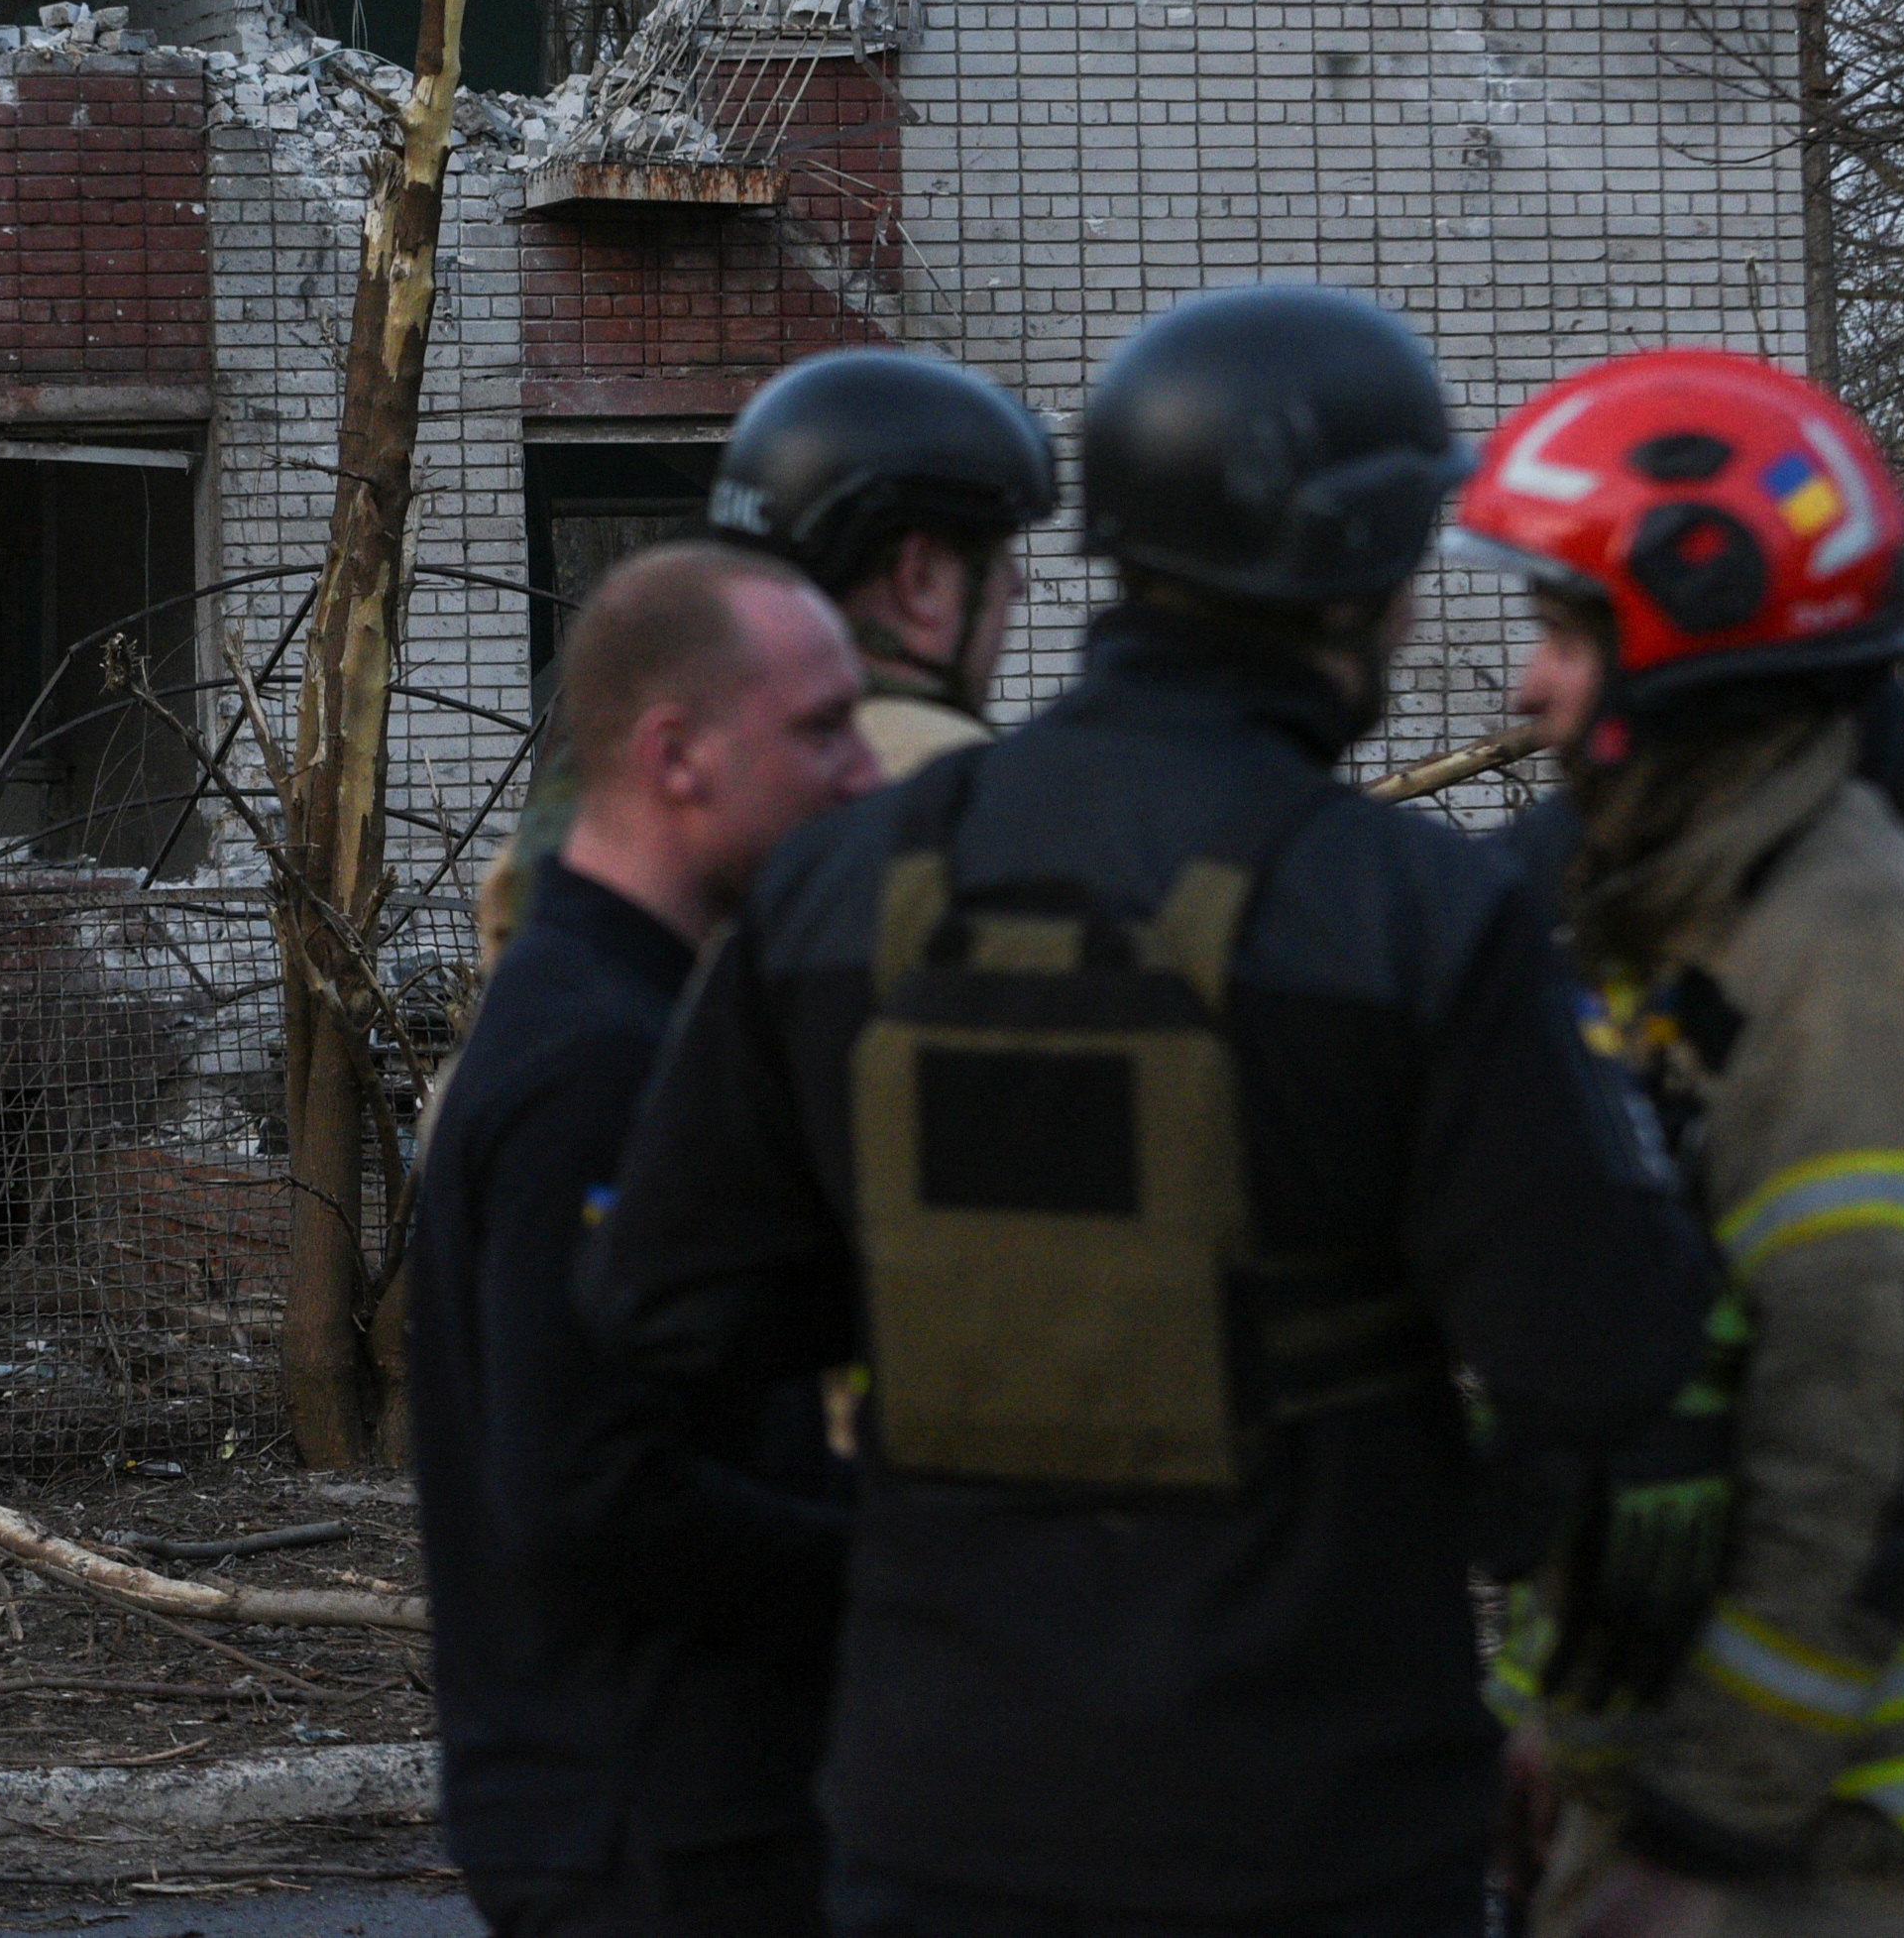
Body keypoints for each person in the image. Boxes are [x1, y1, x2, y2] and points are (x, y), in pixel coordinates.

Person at [582, 283, 1719, 1938]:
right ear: (1358, 576)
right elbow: (1610, 1357)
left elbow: (663, 1302)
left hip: (931, 1820)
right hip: (1319, 1828)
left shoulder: (840, 885)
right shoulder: (1413, 912)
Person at [1455, 350, 1904, 1934]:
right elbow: (1662, 1402)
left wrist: (1697, 1827)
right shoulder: (1690, 913)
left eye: (1554, 634)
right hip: (1708, 1769)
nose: (1520, 689)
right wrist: (1569, 1719)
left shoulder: (1837, 953)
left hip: (1820, 1826)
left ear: (1682, 643)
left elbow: (1878, 1415)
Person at [408, 541, 885, 1938]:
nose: (859, 770)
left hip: (652, 1808)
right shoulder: (599, 1064)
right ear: (676, 754)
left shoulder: (621, 1013)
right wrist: (902, 1565)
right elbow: (587, 1489)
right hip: (653, 1831)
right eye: (818, 727)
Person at [479, 348, 1057, 963]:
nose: (1015, 586)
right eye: (996, 561)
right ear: (917, 581)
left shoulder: (618, 781)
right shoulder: (961, 792)